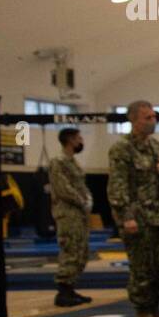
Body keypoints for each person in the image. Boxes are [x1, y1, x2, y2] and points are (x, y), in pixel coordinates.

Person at [107, 101, 159, 317]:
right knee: (142, 266)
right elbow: (117, 184)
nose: (153, 121)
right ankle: (143, 310)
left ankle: (157, 307)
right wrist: (126, 216)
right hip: (139, 218)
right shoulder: (122, 149)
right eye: (147, 118)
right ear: (133, 120)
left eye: (154, 117)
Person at [47, 127, 93, 307]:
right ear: (70, 140)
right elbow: (62, 188)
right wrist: (81, 200)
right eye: (78, 138)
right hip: (68, 213)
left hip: (79, 214)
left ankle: (71, 288)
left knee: (81, 251)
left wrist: (87, 200)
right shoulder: (58, 162)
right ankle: (63, 291)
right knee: (71, 250)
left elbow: (80, 185)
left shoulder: (73, 162)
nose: (81, 141)